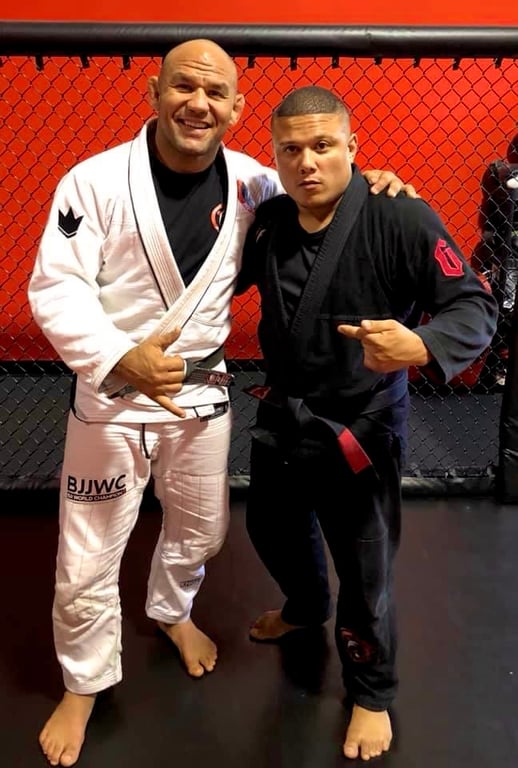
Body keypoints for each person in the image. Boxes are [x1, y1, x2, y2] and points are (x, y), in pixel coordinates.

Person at [28, 39, 416, 767]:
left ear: (237, 109)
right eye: (183, 86)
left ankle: (170, 611)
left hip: (201, 393)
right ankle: (83, 683)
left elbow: (324, 194)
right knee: (86, 555)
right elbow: (57, 286)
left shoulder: (257, 186)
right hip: (113, 392)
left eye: (215, 93)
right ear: (153, 92)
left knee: (202, 532)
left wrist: (375, 185)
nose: (197, 104)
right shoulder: (93, 181)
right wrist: (117, 355)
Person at [236, 86, 498, 761]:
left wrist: (422, 344)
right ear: (275, 156)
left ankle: (372, 691)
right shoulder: (268, 221)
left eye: (323, 145)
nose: (307, 162)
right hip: (283, 414)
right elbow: (214, 280)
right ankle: (305, 606)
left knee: (365, 567)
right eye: (291, 149)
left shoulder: (400, 216)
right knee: (270, 525)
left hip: (360, 426)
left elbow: (474, 306)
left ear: (352, 146)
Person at [472, 133, 518, 388]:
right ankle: (496, 366)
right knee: (506, 306)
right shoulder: (502, 172)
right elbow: (492, 218)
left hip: (507, 250)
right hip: (508, 254)